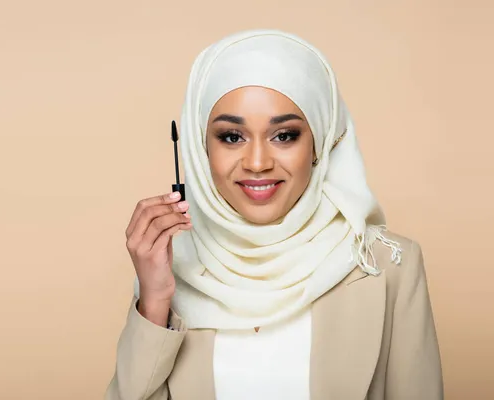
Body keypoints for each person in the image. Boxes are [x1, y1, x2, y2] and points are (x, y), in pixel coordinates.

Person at [104, 29, 443, 400]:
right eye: (232, 137)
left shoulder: (388, 266)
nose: (258, 163)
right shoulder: (171, 267)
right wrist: (154, 300)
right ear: (201, 150)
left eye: (284, 135)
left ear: (321, 141)